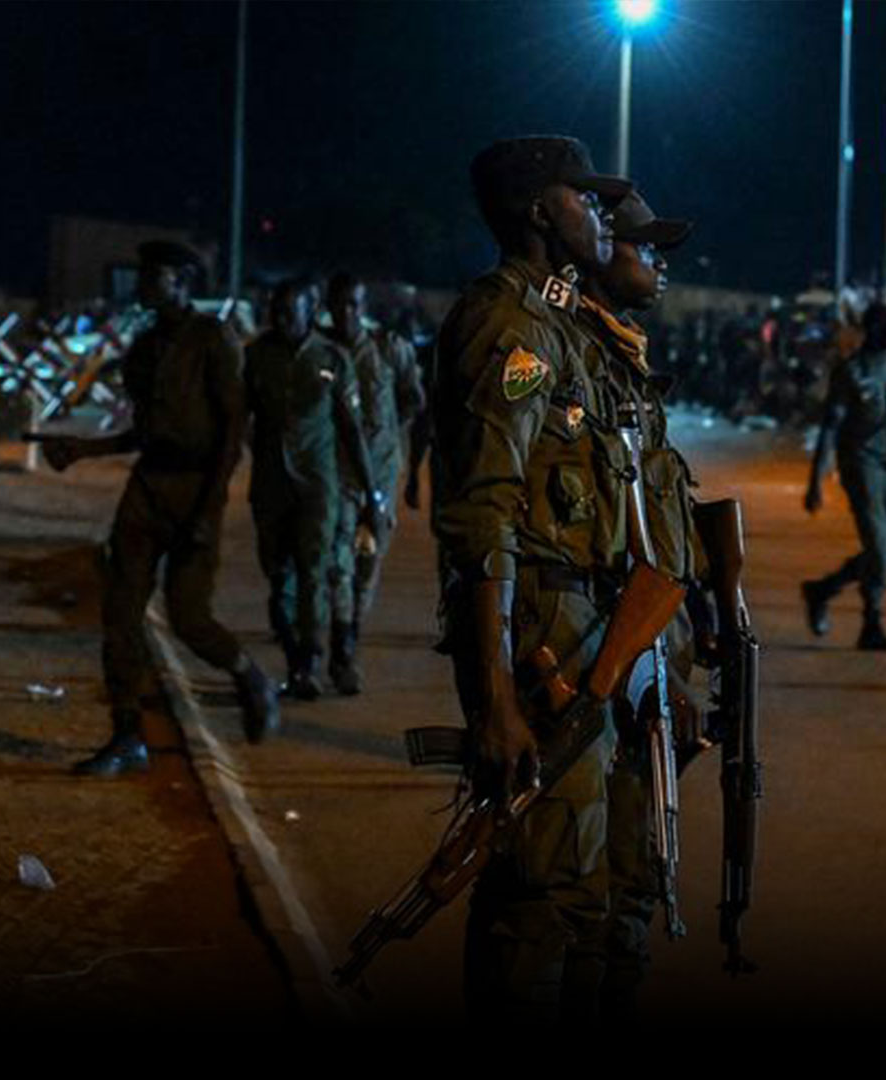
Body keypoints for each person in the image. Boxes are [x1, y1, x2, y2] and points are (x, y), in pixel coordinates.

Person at [429, 135, 633, 1019]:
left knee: (580, 884)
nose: (602, 214)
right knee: (536, 891)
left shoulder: (560, 324)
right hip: (534, 620)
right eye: (583, 198)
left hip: (580, 616)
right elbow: (484, 515)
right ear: (539, 212)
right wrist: (500, 700)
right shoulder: (508, 323)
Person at [42, 240, 280, 776]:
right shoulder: (145, 347)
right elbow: (144, 433)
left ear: (181, 282)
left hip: (196, 488)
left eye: (155, 276)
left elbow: (231, 430)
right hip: (149, 486)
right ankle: (128, 735)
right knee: (120, 614)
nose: (144, 284)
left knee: (190, 618)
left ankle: (248, 675)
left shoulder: (213, 339)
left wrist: (208, 508)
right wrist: (82, 450)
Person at [572, 188, 701, 1020]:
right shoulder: (575, 356)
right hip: (601, 660)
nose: (659, 262)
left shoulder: (623, 359)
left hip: (647, 661)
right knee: (595, 894)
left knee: (637, 885)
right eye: (644, 246)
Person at [242, 277, 380, 700]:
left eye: (290, 311)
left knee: (314, 573)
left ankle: (310, 663)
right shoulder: (257, 356)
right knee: (277, 573)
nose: (281, 319)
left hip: (319, 486)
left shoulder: (331, 359)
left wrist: (371, 494)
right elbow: (238, 415)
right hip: (270, 485)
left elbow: (352, 430)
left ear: (309, 310)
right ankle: (293, 653)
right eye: (275, 311)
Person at [321, 272, 424, 694]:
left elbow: (413, 396)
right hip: (335, 477)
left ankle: (352, 629)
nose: (347, 313)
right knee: (337, 565)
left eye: (354, 305)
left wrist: (389, 433)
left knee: (368, 563)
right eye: (340, 305)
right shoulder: (321, 353)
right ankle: (342, 651)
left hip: (380, 475)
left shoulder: (388, 349)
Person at [802, 301, 886, 651]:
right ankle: (871, 622)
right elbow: (830, 427)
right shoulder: (851, 371)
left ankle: (823, 589)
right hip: (861, 465)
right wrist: (816, 480)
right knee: (880, 549)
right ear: (876, 328)